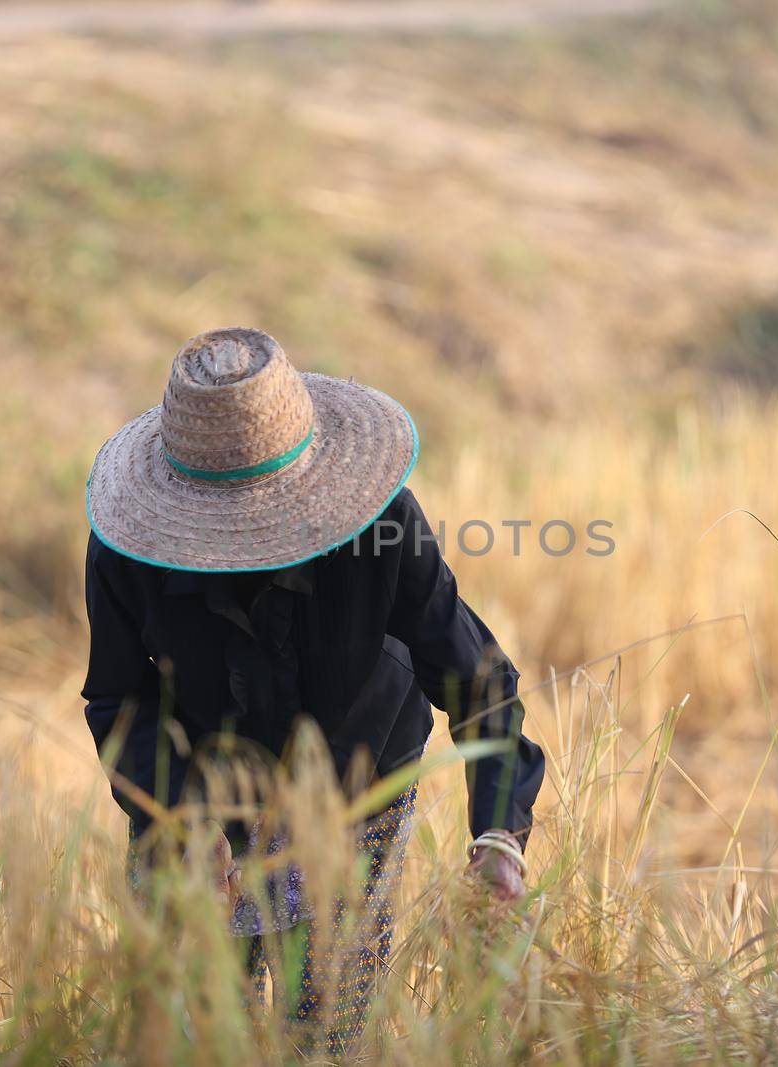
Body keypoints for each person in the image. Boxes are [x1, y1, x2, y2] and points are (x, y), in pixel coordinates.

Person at [81, 327, 545, 1054]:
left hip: (355, 787)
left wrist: (499, 829)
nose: (246, 546)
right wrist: (182, 823)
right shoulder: (126, 549)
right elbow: (117, 698)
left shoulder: (381, 523)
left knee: (326, 1032)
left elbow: (475, 675)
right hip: (201, 787)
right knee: (201, 1032)